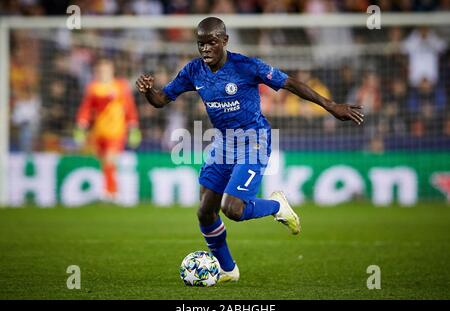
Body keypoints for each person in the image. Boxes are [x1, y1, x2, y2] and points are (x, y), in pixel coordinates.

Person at [136, 17, 364, 282]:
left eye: (211, 43)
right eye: (201, 44)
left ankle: (277, 205)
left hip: (253, 141)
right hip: (223, 142)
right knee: (205, 211)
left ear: (224, 41)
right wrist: (148, 91)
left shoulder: (246, 66)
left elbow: (289, 83)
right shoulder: (193, 71)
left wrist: (331, 105)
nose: (206, 49)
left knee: (232, 209)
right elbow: (161, 99)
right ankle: (228, 270)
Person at [74, 58, 142, 202]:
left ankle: (111, 191)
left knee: (110, 159)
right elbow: (85, 109)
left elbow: (129, 108)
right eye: (100, 70)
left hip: (117, 131)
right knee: (104, 161)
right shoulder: (93, 88)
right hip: (98, 132)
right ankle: (110, 189)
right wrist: (81, 126)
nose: (103, 72)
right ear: (96, 72)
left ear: (111, 70)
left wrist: (133, 127)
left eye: (106, 69)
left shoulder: (121, 86)